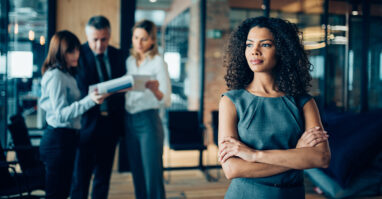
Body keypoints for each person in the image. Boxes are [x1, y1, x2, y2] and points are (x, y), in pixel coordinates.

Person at [218, 17, 331, 198]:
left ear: (282, 50)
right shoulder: (231, 101)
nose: (254, 51)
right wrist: (297, 154)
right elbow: (232, 169)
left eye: (265, 45)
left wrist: (254, 155)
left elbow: (321, 158)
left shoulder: (304, 102)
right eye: (249, 45)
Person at [39, 30, 107, 199]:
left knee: (64, 191)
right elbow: (61, 114)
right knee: (56, 194)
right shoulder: (56, 76)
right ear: (60, 52)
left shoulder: (66, 74)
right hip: (58, 140)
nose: (76, 54)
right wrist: (90, 100)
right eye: (71, 51)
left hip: (68, 138)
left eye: (77, 49)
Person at [71, 16, 126, 199]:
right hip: (86, 126)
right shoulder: (78, 55)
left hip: (110, 125)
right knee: (81, 179)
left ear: (109, 36)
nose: (99, 45)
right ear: (87, 37)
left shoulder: (117, 55)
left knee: (103, 178)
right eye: (94, 39)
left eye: (104, 39)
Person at [124, 19, 171, 199]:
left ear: (152, 40)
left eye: (144, 39)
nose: (139, 43)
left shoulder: (158, 62)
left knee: (153, 175)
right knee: (137, 174)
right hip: (129, 120)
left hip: (149, 120)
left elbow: (166, 100)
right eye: (136, 38)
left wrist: (155, 89)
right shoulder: (129, 61)